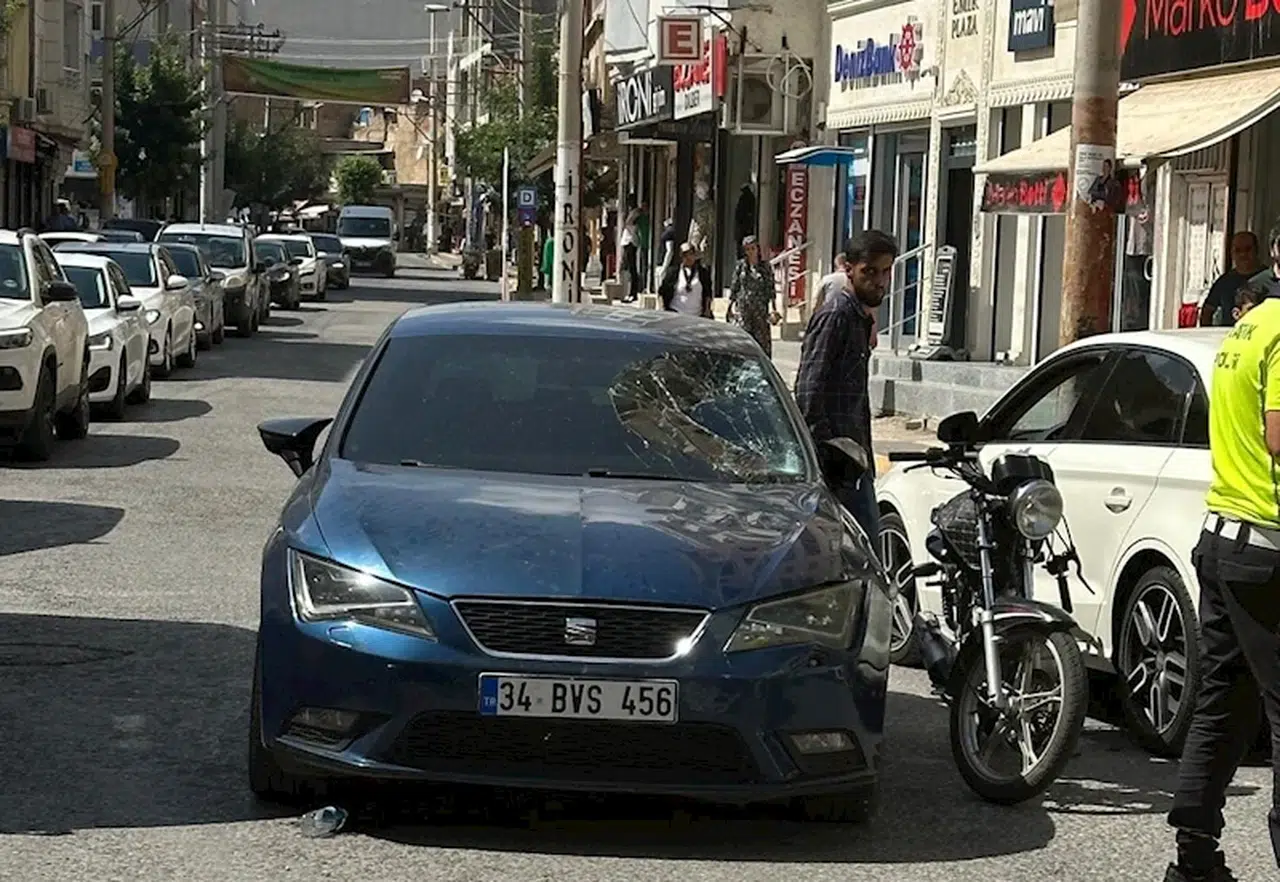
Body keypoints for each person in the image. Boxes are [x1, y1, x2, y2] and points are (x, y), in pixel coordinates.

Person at [1162, 285, 1280, 882]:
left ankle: (1193, 859)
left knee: (1224, 705)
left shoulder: (1250, 326)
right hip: (1268, 548)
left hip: (1224, 538)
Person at [794, 230, 898, 541]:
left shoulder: (858, 317)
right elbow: (808, 391)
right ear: (848, 270)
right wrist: (829, 455)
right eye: (870, 272)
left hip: (855, 459)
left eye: (886, 272)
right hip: (838, 465)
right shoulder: (836, 314)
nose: (879, 281)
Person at [727, 235, 780, 355]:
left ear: (757, 249)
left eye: (753, 248)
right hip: (744, 308)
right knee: (744, 339)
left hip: (760, 309)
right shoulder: (741, 266)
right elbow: (735, 286)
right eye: (747, 249)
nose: (750, 252)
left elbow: (770, 289)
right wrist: (730, 306)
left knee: (761, 342)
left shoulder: (765, 267)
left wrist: (774, 309)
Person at [1201, 232, 1262, 326]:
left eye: (1248, 249)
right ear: (1232, 253)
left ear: (1257, 250)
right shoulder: (1224, 282)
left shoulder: (1269, 279)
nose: (1243, 254)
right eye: (1238, 250)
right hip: (1229, 337)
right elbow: (1207, 311)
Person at [658, 242, 712, 317]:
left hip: (697, 315)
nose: (688, 257)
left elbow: (708, 294)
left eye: (691, 254)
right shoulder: (673, 272)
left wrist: (707, 310)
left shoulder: (702, 273)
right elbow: (661, 292)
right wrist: (662, 308)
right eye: (685, 255)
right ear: (681, 256)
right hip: (676, 314)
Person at [620, 206, 640, 302]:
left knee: (631, 269)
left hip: (630, 244)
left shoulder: (634, 218)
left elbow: (628, 222)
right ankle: (628, 293)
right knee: (627, 269)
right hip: (628, 243)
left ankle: (632, 293)